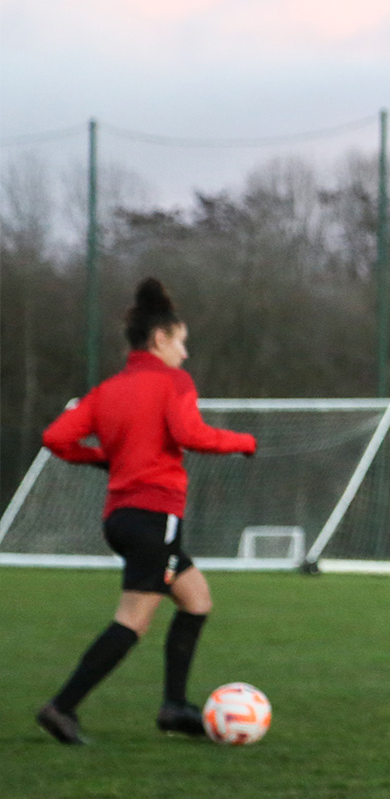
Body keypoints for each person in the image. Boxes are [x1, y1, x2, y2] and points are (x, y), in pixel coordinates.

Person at [36, 278, 257, 745]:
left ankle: (174, 707)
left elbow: (56, 438)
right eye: (182, 342)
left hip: (121, 518)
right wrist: (243, 442)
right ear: (160, 339)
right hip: (154, 516)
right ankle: (62, 707)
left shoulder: (108, 389)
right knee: (132, 620)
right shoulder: (173, 381)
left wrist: (103, 459)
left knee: (196, 600)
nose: (186, 354)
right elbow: (190, 434)